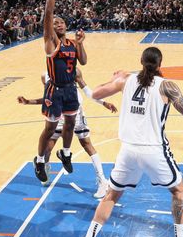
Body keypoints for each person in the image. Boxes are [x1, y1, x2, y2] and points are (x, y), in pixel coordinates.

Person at [70, 47, 183, 237]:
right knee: (179, 191)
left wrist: (116, 78)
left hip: (128, 150)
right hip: (154, 150)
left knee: (111, 196)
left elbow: (95, 93)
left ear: (140, 61)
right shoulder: (167, 86)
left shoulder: (126, 81)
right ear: (160, 65)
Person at [18, 68, 118, 198]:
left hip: (75, 111)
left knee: (86, 144)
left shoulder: (74, 71)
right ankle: (43, 165)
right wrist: (28, 102)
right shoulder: (45, 76)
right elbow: (48, 98)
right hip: (57, 112)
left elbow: (88, 92)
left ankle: (102, 181)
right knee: (48, 145)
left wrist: (103, 102)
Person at [34, 0, 88, 181]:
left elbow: (82, 61)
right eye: (54, 23)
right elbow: (48, 13)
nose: (57, 23)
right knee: (50, 128)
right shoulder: (51, 41)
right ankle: (39, 160)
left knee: (71, 123)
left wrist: (82, 44)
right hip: (54, 91)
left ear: (66, 26)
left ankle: (65, 153)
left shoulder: (72, 43)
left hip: (70, 90)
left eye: (61, 22)